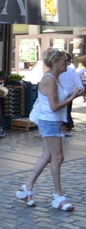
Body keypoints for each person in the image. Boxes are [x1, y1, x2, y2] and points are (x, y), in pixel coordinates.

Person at [16, 49, 83, 211]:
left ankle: (26, 188)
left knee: (47, 156)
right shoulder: (50, 79)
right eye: (64, 61)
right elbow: (54, 107)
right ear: (55, 62)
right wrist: (73, 96)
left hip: (51, 121)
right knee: (57, 157)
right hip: (50, 121)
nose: (67, 63)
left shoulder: (54, 78)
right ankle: (58, 196)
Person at [58, 53, 84, 132]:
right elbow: (78, 83)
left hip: (62, 93)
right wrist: (80, 89)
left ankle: (66, 125)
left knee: (64, 110)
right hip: (68, 93)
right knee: (67, 110)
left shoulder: (60, 69)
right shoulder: (70, 70)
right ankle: (67, 124)